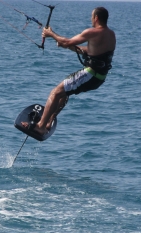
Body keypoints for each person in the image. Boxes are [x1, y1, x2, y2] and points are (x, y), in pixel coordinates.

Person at [22, 7, 116, 136]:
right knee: (64, 93)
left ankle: (40, 127)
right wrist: (65, 44)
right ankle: (49, 122)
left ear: (96, 18)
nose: (91, 19)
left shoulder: (93, 32)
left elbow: (67, 42)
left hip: (90, 74)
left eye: (91, 16)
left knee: (55, 93)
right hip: (99, 78)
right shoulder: (111, 35)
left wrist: (51, 34)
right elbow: (89, 51)